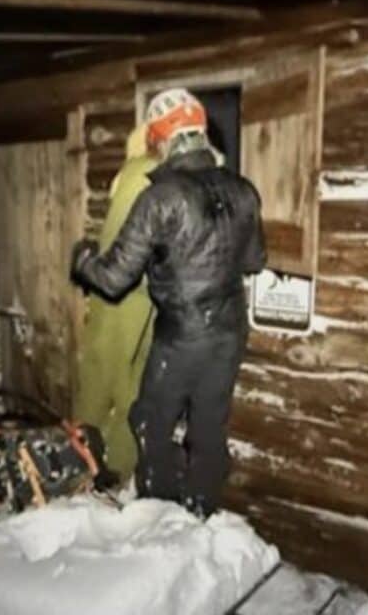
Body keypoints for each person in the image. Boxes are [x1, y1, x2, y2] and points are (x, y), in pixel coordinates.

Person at [70, 88, 266, 517]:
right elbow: (254, 261)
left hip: (181, 336)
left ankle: (158, 515)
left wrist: (82, 258)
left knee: (149, 423)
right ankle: (201, 511)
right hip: (230, 332)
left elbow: (113, 279)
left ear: (162, 138)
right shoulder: (243, 189)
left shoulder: (159, 195)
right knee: (208, 430)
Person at [73, 124, 161, 481]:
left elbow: (115, 240)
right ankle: (121, 463)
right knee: (136, 379)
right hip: (154, 294)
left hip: (123, 293)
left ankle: (85, 459)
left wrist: (90, 270)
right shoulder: (175, 177)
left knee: (102, 368)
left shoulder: (138, 172)